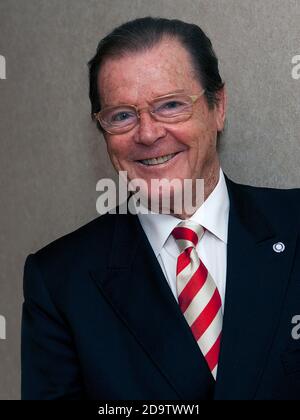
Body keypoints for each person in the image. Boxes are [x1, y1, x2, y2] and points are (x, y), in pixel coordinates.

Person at [21, 17, 300, 400]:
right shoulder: (59, 281)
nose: (148, 133)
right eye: (122, 115)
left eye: (170, 105)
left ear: (218, 107)